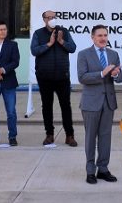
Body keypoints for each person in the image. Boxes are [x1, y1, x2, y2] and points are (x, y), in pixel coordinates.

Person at [77, 25, 122, 184]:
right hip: (91, 103)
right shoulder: (83, 54)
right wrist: (102, 73)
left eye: (105, 35)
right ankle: (90, 171)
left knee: (105, 137)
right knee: (90, 138)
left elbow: (120, 78)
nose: (103, 38)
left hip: (108, 103)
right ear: (92, 37)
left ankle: (103, 169)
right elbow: (82, 77)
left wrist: (116, 74)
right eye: (100, 36)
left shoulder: (113, 54)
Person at [30, 10, 78, 147]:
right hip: (44, 76)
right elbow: (34, 51)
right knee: (47, 106)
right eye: (49, 17)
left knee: (66, 106)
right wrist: (49, 44)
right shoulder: (38, 34)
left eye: (54, 17)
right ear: (44, 19)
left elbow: (73, 48)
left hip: (62, 76)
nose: (52, 19)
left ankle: (70, 135)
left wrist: (61, 41)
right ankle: (49, 134)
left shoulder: (64, 31)